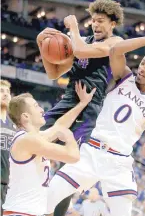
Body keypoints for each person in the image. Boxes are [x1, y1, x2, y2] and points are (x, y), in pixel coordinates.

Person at [46, 25, 145, 216]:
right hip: (91, 151)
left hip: (119, 162)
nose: (142, 69)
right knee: (48, 199)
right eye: (142, 63)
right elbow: (115, 50)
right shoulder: (124, 77)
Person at [36, 0, 124, 215]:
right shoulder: (80, 41)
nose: (95, 24)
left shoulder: (115, 42)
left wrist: (73, 28)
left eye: (101, 21)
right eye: (93, 20)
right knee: (34, 141)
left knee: (71, 168)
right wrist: (41, 43)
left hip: (90, 110)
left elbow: (83, 52)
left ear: (112, 23)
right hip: (68, 101)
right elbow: (53, 73)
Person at [2, 83, 95, 216]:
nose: (41, 110)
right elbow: (73, 156)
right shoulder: (28, 140)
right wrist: (69, 136)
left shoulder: (34, 138)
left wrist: (82, 103)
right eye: (36, 106)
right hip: (21, 212)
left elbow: (58, 126)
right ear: (26, 117)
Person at [0, 80, 16, 214]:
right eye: (1, 91)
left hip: (9, 187)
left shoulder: (15, 124)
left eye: (7, 92)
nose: (5, 94)